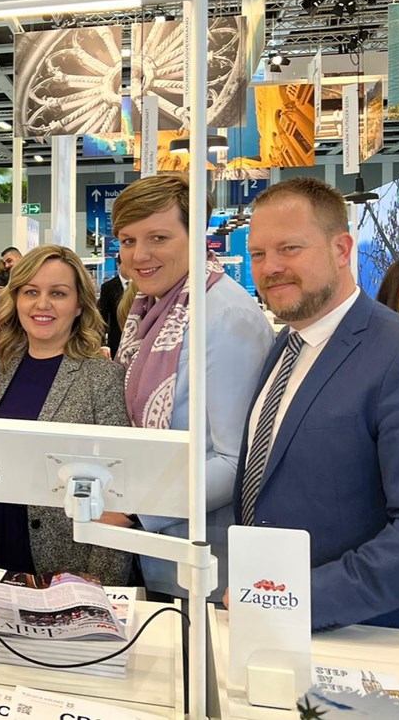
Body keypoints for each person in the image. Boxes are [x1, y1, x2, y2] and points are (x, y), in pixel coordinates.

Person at [235, 177, 399, 632]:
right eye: (258, 254)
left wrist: (295, 600)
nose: (270, 268)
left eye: (290, 248)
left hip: (381, 636)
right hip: (281, 623)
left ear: (342, 249)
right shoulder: (286, 346)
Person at [113, 174, 273, 601]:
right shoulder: (153, 309)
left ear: (196, 235)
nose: (139, 255)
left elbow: (237, 460)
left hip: (208, 561)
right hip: (164, 551)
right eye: (128, 241)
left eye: (158, 238)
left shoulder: (223, 315)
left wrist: (134, 508)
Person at [0, 246, 134, 584]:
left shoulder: (102, 377)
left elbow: (118, 491)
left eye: (58, 293)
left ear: (79, 305)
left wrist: (101, 582)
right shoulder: (0, 368)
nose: (42, 304)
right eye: (31, 292)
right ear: (16, 300)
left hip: (70, 564)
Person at [96, 255, 130, 356]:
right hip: (117, 340)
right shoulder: (108, 287)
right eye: (126, 264)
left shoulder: (140, 285)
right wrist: (101, 343)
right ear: (118, 265)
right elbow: (103, 315)